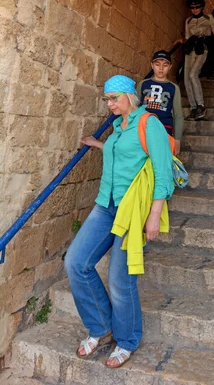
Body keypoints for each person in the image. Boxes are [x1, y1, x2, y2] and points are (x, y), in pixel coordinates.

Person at [65, 75, 173, 368]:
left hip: (133, 211)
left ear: (130, 96)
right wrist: (99, 144)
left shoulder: (149, 123)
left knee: (119, 279)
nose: (110, 103)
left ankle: (126, 340)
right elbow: (122, 154)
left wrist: (153, 216)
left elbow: (163, 171)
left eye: (114, 98)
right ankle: (101, 326)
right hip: (105, 205)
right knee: (76, 262)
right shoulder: (116, 128)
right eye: (107, 99)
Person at [175, 0, 214, 120]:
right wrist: (181, 41)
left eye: (197, 7)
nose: (195, 9)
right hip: (190, 49)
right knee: (186, 77)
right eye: (192, 7)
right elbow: (188, 37)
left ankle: (201, 105)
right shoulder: (188, 21)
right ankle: (193, 107)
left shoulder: (208, 17)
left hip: (203, 48)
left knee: (193, 74)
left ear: (202, 7)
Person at [137, 50, 184, 155]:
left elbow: (178, 115)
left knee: (160, 157)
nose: (161, 68)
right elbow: (134, 108)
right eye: (157, 64)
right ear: (152, 65)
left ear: (170, 67)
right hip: (143, 127)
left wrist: (177, 139)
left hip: (164, 128)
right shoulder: (143, 84)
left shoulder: (174, 88)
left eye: (165, 65)